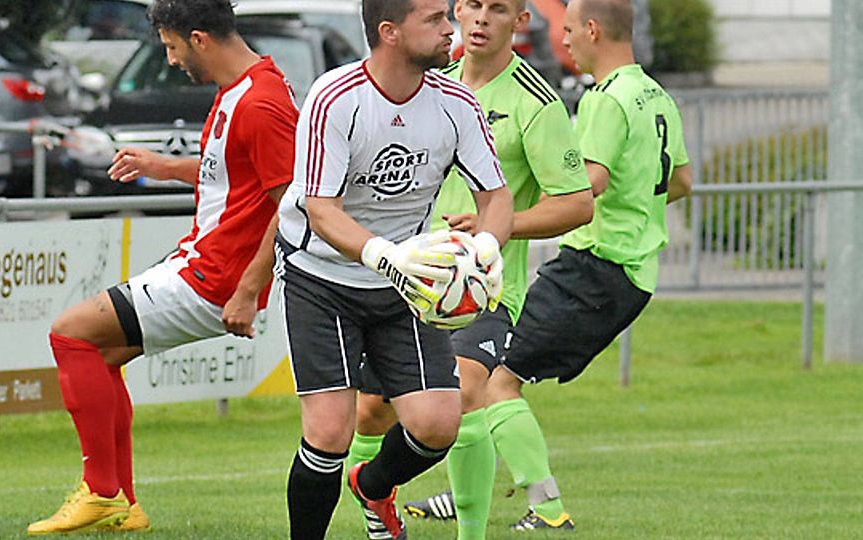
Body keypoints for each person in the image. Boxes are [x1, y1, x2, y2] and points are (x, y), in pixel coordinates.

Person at [26, 0, 299, 534]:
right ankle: (123, 505)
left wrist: (247, 288)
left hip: (215, 277)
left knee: (71, 335)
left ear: (198, 39)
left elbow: (291, 201)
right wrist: (165, 166)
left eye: (172, 48)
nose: (172, 61)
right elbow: (235, 173)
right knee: (101, 353)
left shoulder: (261, 101)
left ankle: (103, 492)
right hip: (204, 262)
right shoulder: (242, 89)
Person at [348, 1, 594, 538]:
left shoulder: (536, 102)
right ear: (457, 11)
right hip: (407, 280)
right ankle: (373, 497)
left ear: (520, 20)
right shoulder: (430, 83)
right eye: (473, 5)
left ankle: (472, 535)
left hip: (482, 290)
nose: (481, 18)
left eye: (498, 8)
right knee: (368, 414)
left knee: (462, 394)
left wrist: (492, 233)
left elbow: (577, 204)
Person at [276, 0, 514, 538]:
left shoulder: (457, 104)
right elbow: (320, 209)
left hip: (409, 285)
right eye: (434, 19)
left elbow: (496, 198)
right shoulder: (334, 98)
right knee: (330, 432)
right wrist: (386, 254)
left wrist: (488, 248)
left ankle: (375, 486)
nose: (450, 29)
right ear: (389, 31)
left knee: (437, 425)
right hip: (322, 279)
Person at [481, 0, 692, 531]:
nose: (564, 41)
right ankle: (468, 489)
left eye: (569, 30)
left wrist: (501, 223)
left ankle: (546, 509)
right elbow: (683, 183)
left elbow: (586, 186)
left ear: (593, 30)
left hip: (596, 268)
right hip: (632, 272)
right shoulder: (655, 94)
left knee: (495, 381)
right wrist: (635, 207)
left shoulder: (606, 98)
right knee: (486, 377)